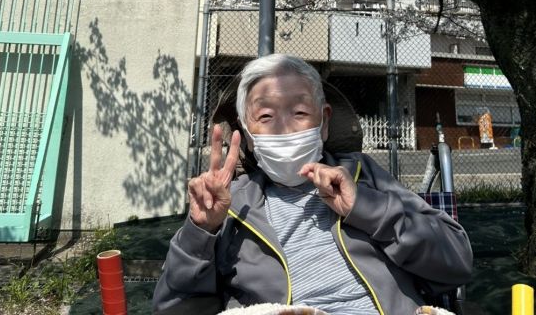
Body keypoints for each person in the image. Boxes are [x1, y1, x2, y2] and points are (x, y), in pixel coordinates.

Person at [153, 54, 473, 315]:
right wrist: (200, 232)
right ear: (247, 135)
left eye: (300, 111)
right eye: (265, 116)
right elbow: (173, 309)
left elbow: (456, 262)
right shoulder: (229, 204)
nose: (283, 128)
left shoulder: (364, 175)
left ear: (324, 122)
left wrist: (365, 208)